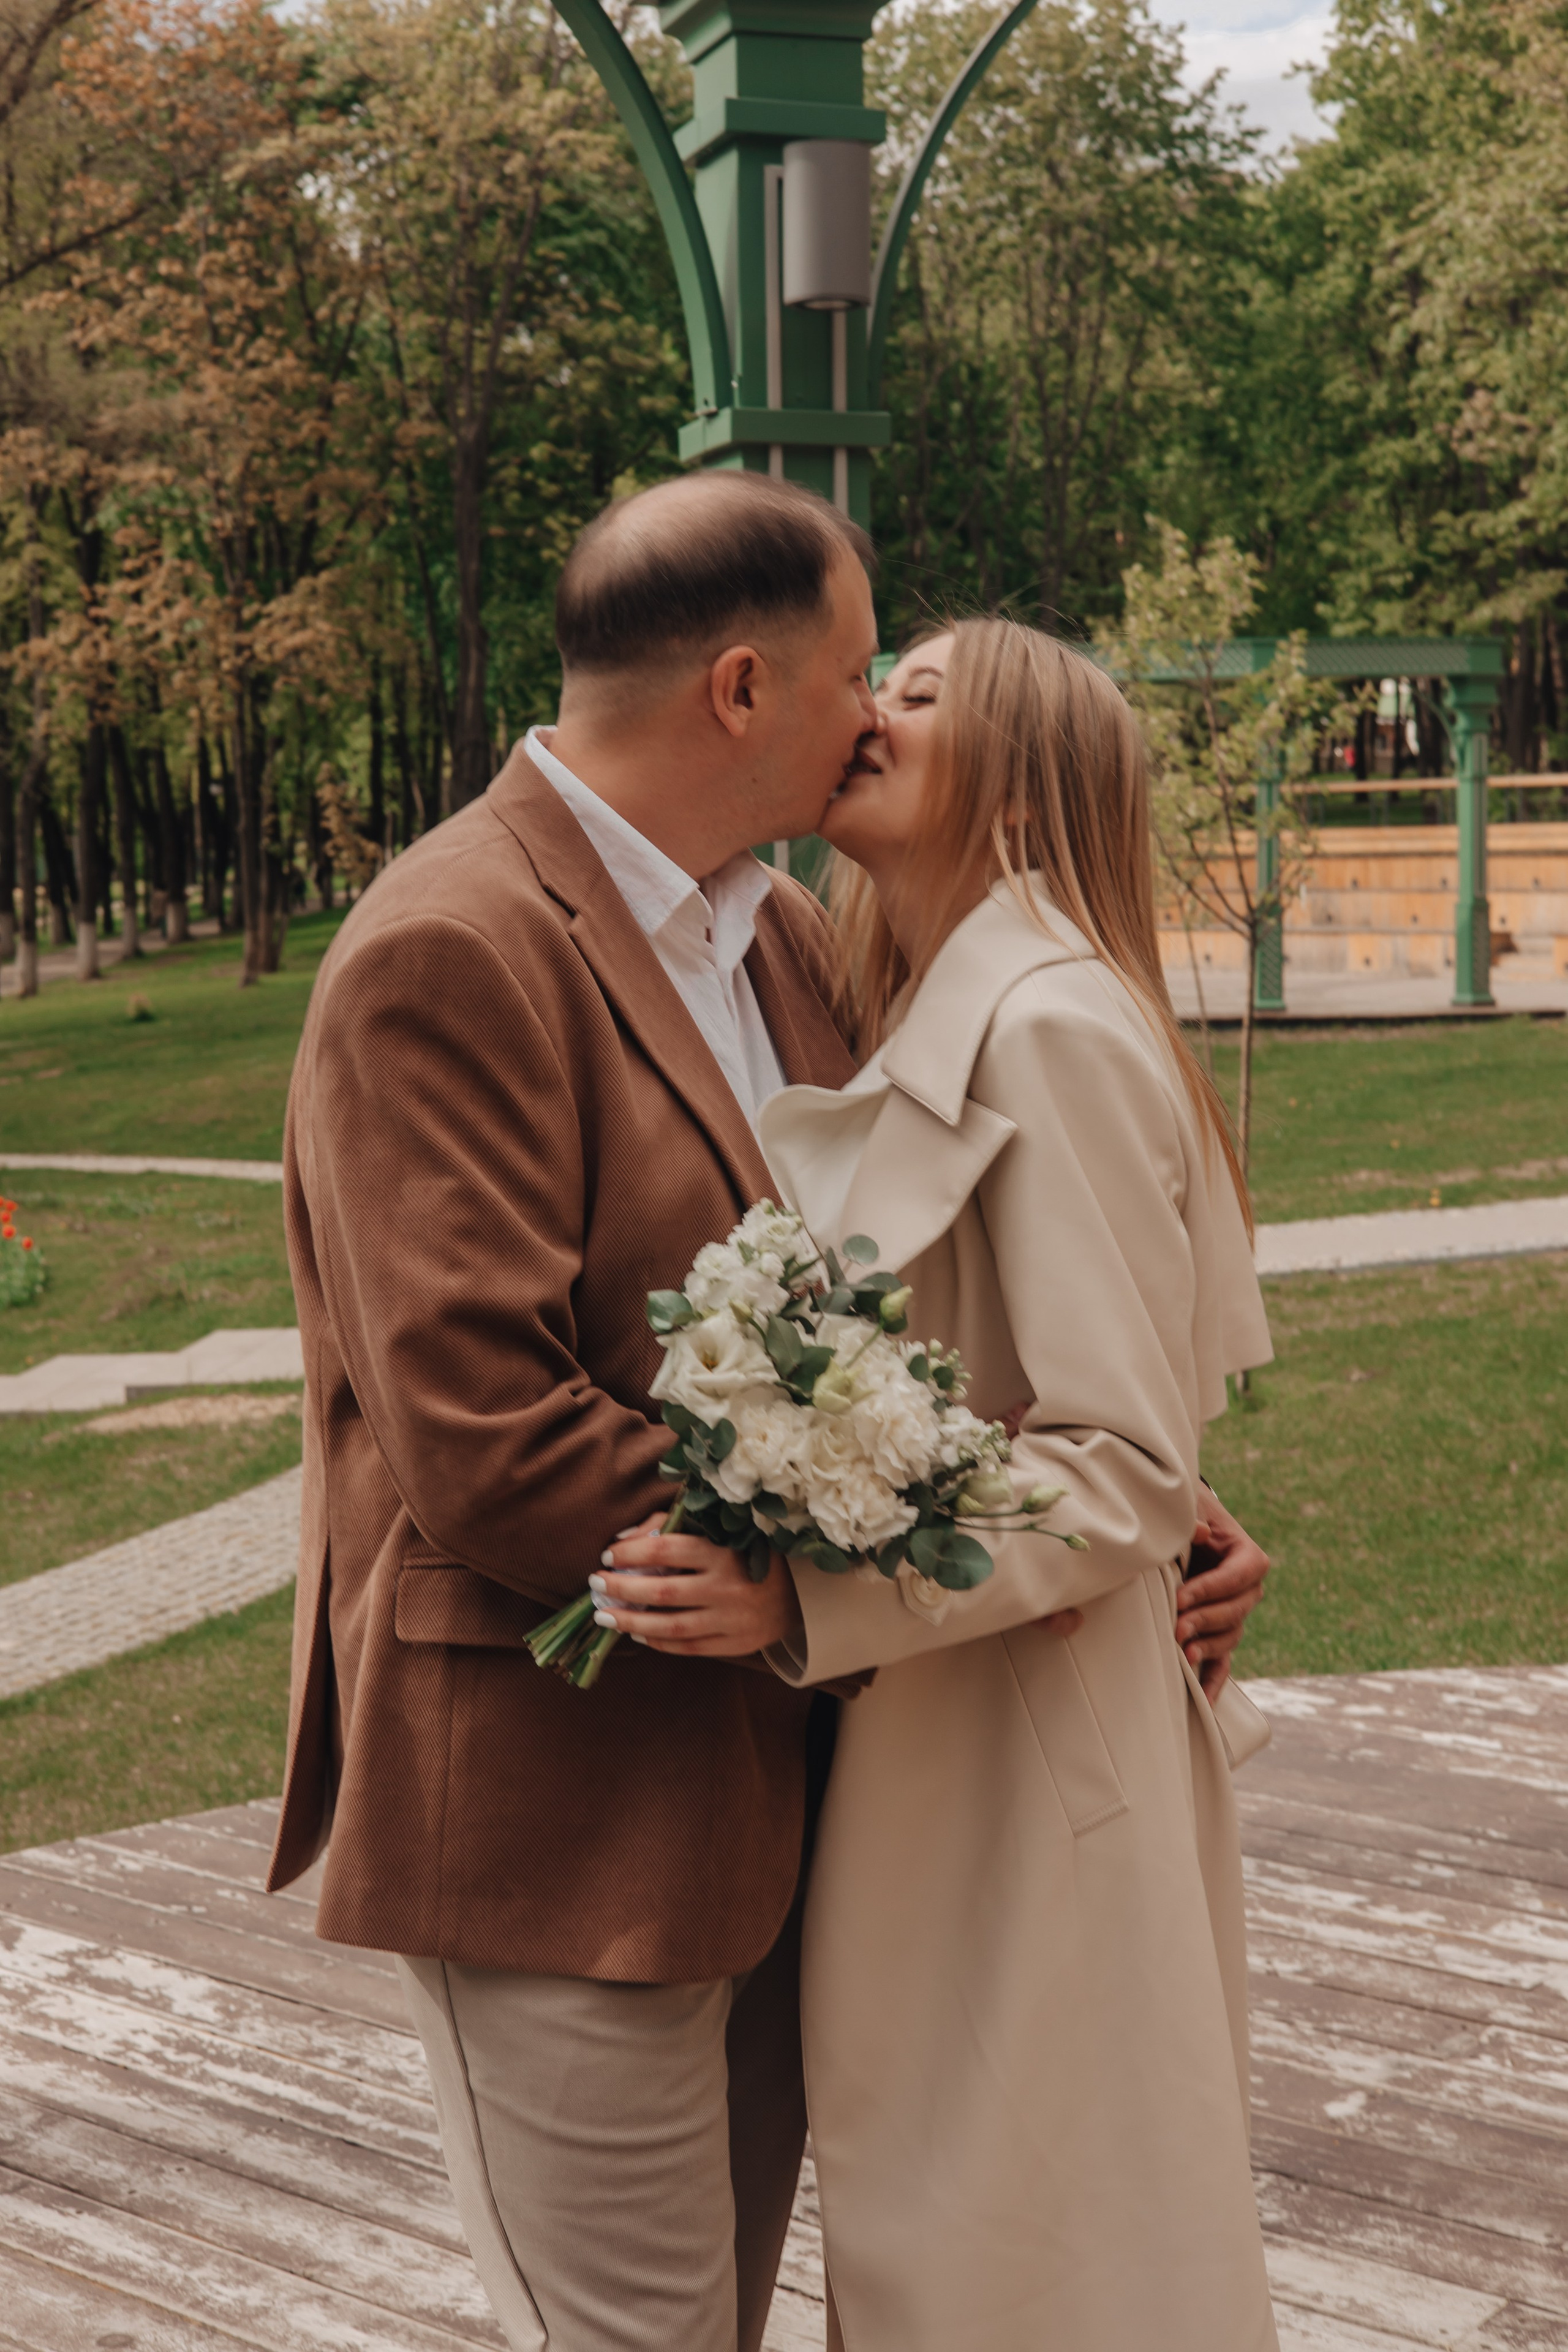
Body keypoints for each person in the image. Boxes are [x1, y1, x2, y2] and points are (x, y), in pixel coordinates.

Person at [269, 473, 1270, 2352]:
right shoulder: (448, 947)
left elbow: (912, 1334)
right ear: (744, 690)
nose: (871, 716)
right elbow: (488, 1437)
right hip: (567, 1823)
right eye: (855, 675)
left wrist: (1133, 1527)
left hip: (801, 1815)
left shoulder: (788, 944)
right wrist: (921, 1551)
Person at [592, 617, 1280, 2350]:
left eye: (921, 693)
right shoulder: (914, 1000)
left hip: (1023, 1775)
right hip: (956, 1741)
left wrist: (800, 1588)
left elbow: (1122, 1461)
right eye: (876, 679)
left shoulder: (1043, 1027)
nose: (872, 708)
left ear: (1028, 789)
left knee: (1032, 2263)